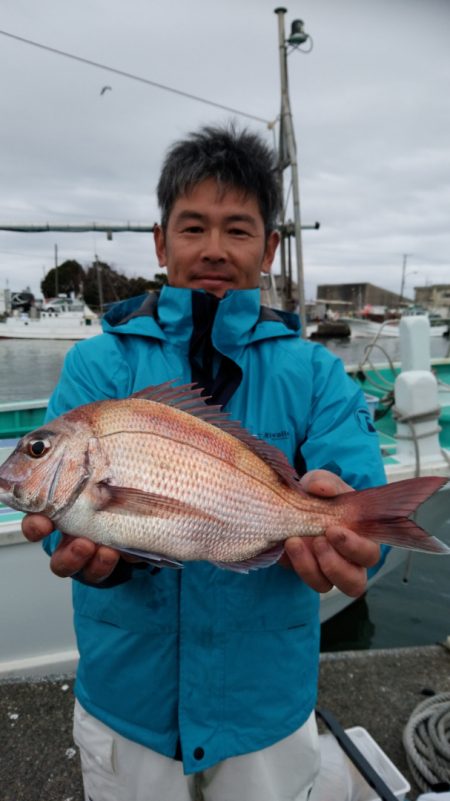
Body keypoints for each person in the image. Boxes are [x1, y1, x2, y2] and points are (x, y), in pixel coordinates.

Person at [22, 123, 386, 801]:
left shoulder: (314, 372)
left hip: (264, 712)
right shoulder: (97, 365)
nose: (214, 249)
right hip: (128, 707)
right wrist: (112, 562)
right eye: (193, 227)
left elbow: (365, 506)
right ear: (161, 242)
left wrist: (356, 540)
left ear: (270, 247)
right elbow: (84, 528)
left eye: (239, 229)